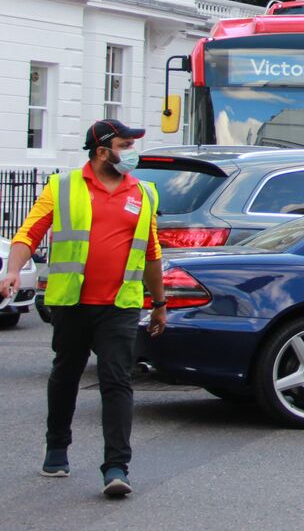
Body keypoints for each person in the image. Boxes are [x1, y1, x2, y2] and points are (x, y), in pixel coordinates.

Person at [0, 119, 167, 498]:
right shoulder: (62, 187)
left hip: (119, 305)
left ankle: (116, 467)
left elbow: (152, 254)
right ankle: (57, 447)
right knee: (66, 375)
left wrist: (159, 304)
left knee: (117, 381)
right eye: (124, 145)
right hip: (72, 303)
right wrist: (12, 271)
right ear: (102, 150)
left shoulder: (144, 193)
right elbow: (28, 233)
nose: (131, 153)